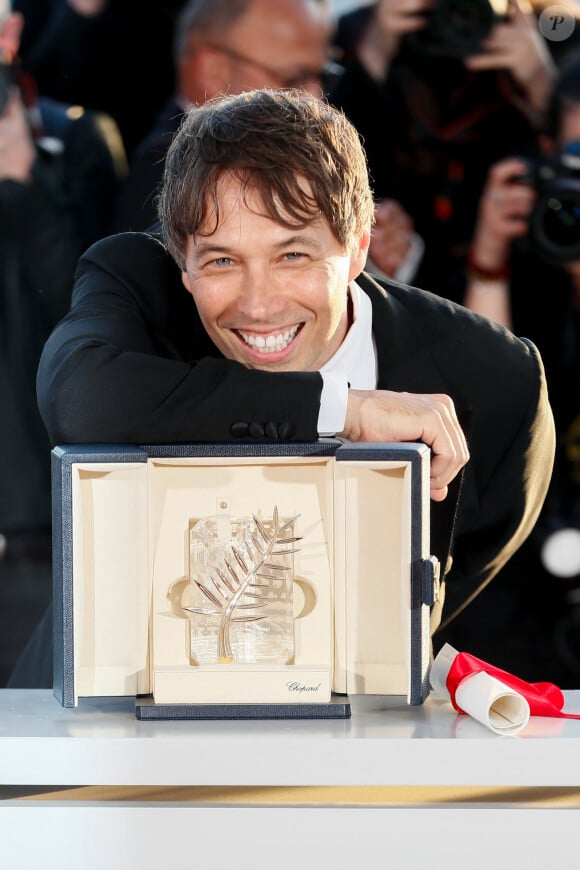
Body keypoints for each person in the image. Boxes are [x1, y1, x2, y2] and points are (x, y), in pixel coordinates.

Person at [16, 87, 555, 688]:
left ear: (358, 249)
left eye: (293, 255)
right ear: (181, 260)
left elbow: (463, 594)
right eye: (220, 261)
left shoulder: (496, 379)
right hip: (96, 727)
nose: (258, 304)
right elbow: (81, 400)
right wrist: (340, 408)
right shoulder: (136, 287)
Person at [0, 5, 126, 685]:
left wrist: (22, 184)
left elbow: (89, 328)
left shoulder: (71, 140)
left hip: (37, 541)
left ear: (12, 33)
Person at [330, 0, 559, 300]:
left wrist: (542, 84)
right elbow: (329, 166)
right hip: (397, 282)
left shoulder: (554, 31)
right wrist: (373, 55)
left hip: (527, 287)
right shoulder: (358, 32)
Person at [113, 0, 336, 233]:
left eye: (324, 75)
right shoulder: (168, 171)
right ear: (213, 69)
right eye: (294, 78)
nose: (315, 96)